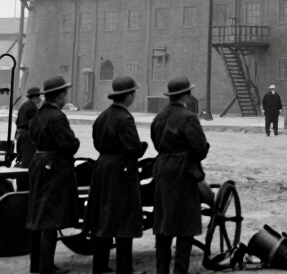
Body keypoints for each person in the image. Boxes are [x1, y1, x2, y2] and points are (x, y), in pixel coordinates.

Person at [86, 76, 148, 274]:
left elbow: (96, 142)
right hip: (121, 171)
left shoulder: (102, 116)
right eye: (134, 93)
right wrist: (143, 147)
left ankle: (100, 266)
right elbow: (133, 148)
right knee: (124, 219)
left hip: (102, 168)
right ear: (128, 95)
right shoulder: (125, 118)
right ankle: (124, 268)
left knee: (103, 218)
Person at [151, 76, 211, 274]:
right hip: (183, 170)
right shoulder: (189, 117)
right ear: (187, 94)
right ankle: (180, 269)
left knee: (164, 220)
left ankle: (161, 269)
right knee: (186, 222)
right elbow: (200, 148)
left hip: (161, 169)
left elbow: (155, 141)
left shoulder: (158, 117)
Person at [27, 75, 81, 274]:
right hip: (54, 167)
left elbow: (33, 138)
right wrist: (74, 144)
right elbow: (69, 144)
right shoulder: (57, 116)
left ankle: (37, 264)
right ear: (59, 96)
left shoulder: (38, 115)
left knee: (39, 217)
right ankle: (46, 266)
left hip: (39, 163)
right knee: (50, 218)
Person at [15, 86, 41, 166]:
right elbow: (35, 124)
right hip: (27, 137)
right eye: (39, 97)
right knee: (27, 160)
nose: (40, 99)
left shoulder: (26, 105)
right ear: (35, 97)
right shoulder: (31, 107)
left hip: (21, 135)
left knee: (23, 158)